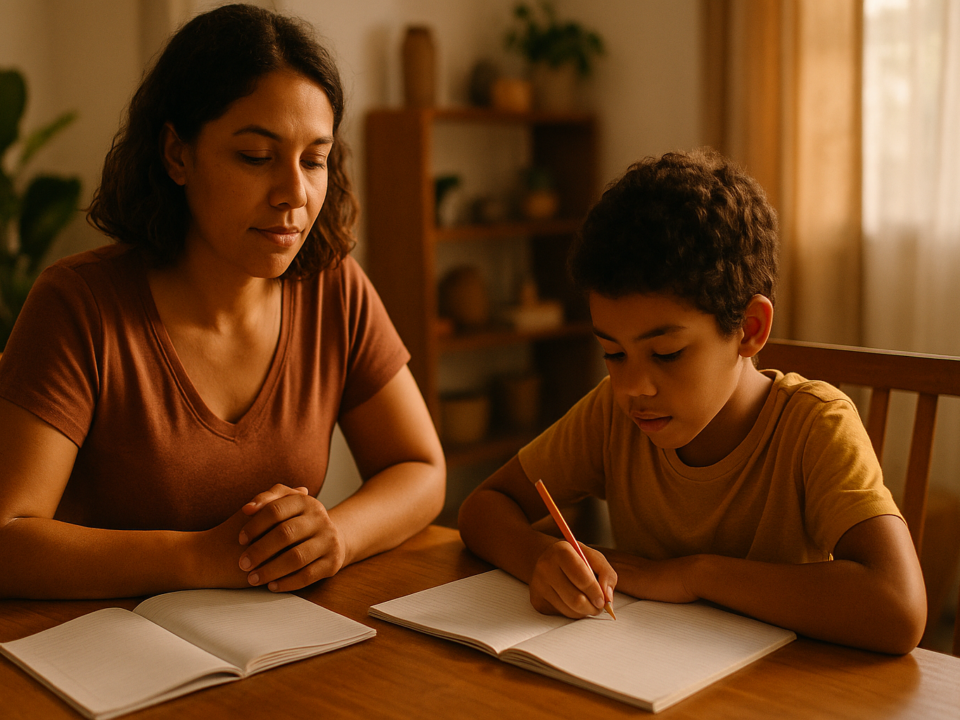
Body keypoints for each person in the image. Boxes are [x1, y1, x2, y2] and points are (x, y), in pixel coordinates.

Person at [0, 4, 445, 599]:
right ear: (177, 155)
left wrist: (337, 534)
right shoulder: (79, 306)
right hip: (105, 660)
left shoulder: (333, 289)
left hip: (277, 648)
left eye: (315, 160)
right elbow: (8, 538)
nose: (295, 194)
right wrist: (199, 557)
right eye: (256, 157)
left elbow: (419, 468)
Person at [458, 149, 927, 655]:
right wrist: (538, 557)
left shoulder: (814, 426)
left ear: (749, 330)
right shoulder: (612, 415)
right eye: (613, 353)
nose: (633, 386)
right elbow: (483, 508)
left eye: (667, 353)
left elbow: (897, 608)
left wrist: (696, 575)